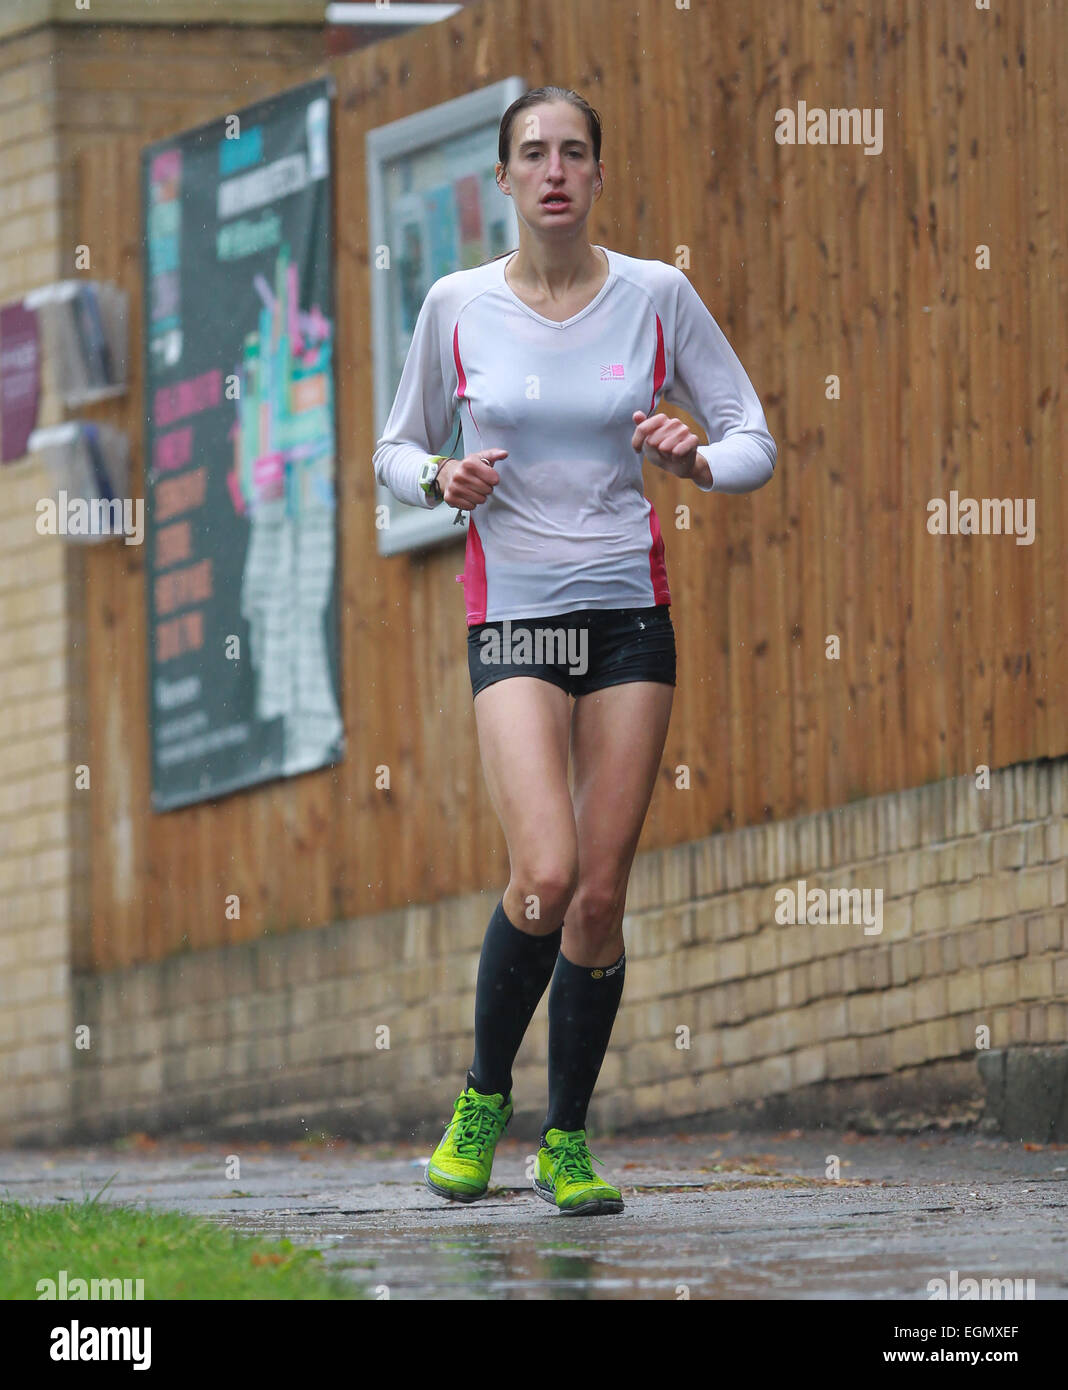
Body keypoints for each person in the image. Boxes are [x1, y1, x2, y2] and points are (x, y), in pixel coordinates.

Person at [372, 85, 776, 1216]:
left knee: (599, 895)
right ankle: (482, 1099)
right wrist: (437, 479)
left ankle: (567, 1140)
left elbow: (757, 440)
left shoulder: (658, 296)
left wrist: (695, 460)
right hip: (515, 617)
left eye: (575, 153)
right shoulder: (455, 304)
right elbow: (393, 448)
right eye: (533, 154)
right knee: (543, 875)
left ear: (597, 176)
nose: (554, 171)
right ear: (502, 180)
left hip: (627, 617)